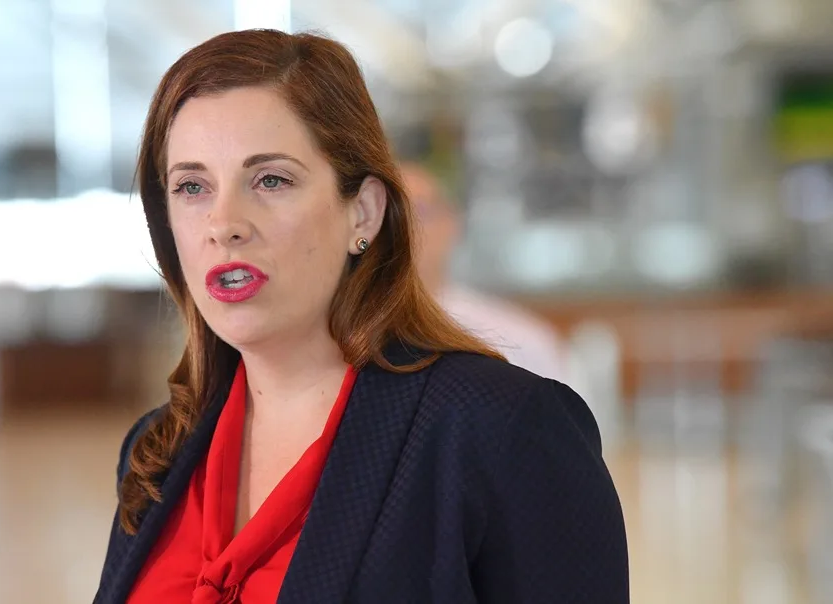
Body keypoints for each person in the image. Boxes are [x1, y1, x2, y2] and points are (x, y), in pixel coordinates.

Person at [94, 29, 628, 604]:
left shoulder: (499, 428)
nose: (224, 223)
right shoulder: (157, 453)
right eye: (192, 186)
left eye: (270, 179)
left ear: (364, 213)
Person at [401, 161, 567, 381]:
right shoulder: (349, 340)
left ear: (451, 223)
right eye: (389, 212)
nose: (402, 227)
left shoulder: (520, 341)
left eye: (419, 211)